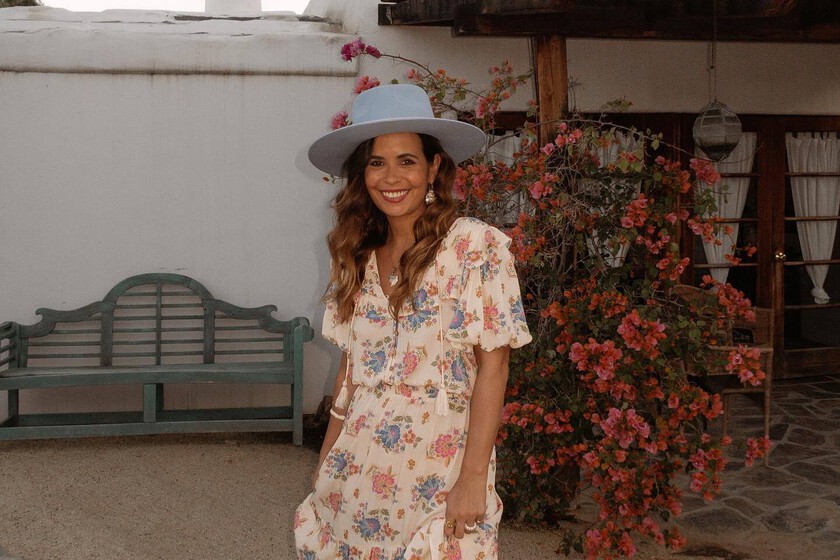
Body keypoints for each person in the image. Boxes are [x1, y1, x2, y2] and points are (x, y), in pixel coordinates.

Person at [295, 84, 532, 560]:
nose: (391, 177)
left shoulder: (474, 247)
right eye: (376, 162)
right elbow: (350, 374)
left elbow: (495, 367)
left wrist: (472, 478)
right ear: (362, 174)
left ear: (434, 167)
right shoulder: (355, 257)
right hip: (357, 468)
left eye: (407, 160)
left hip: (441, 470)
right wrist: (326, 460)